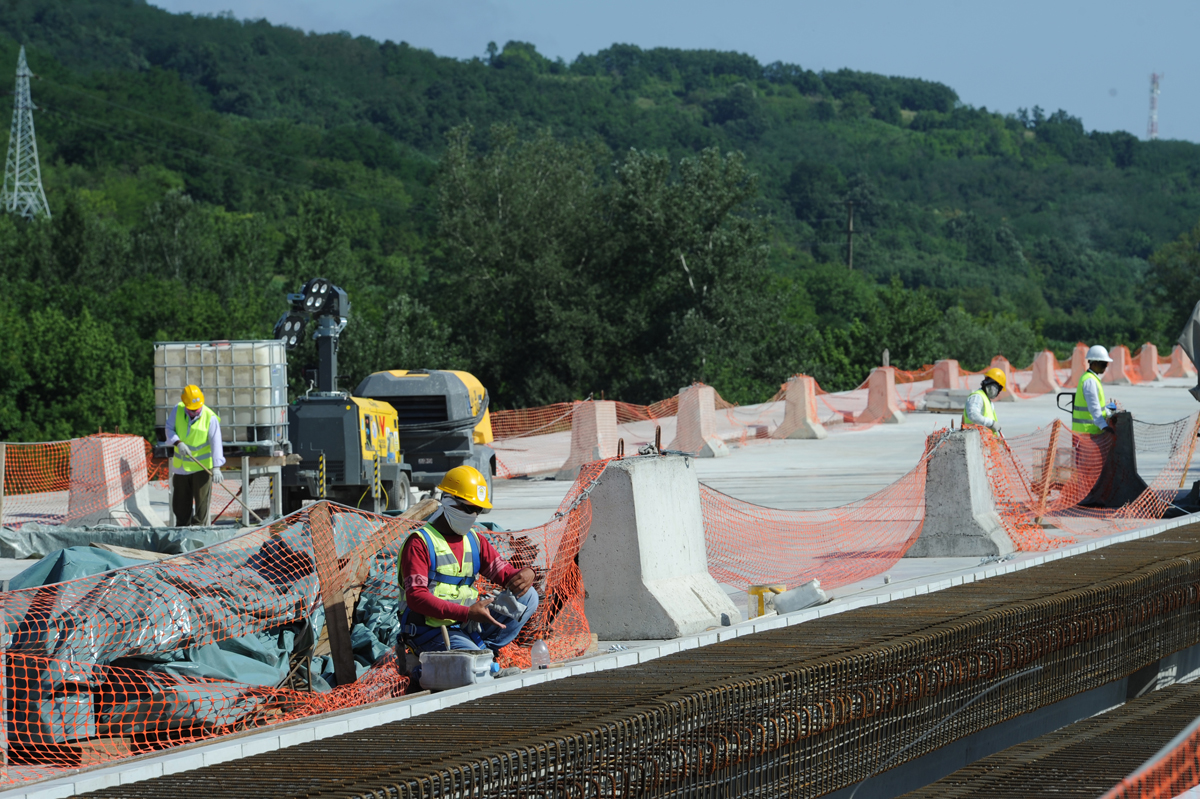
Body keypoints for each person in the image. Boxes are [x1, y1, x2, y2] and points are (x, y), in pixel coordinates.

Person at [397, 465, 539, 669]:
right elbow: (416, 598)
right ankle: (427, 666)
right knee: (473, 669)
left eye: (478, 510)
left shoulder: (474, 541)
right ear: (447, 500)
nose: (473, 515)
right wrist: (466, 612)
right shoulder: (420, 543)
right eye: (468, 508)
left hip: (468, 624)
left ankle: (485, 652)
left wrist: (527, 573)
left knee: (528, 596)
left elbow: (506, 575)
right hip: (431, 630)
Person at [166, 384, 225, 526]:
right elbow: (169, 429)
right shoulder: (177, 410)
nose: (195, 411)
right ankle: (182, 532)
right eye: (191, 409)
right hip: (181, 468)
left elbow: (216, 443)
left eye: (197, 408)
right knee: (180, 505)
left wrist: (216, 467)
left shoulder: (210, 418)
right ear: (185, 404)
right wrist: (178, 442)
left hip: (202, 468)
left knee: (201, 507)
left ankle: (198, 534)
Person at [1073, 345, 1117, 436]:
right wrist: (1104, 426)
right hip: (1088, 434)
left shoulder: (1091, 378)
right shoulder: (1090, 381)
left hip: (1089, 433)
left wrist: (1107, 412)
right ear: (1095, 363)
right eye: (1104, 364)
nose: (1105, 367)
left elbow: (1097, 405)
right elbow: (1094, 408)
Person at [963, 367, 1007, 436]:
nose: (998, 392)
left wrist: (1002, 439)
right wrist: (992, 423)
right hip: (974, 440)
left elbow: (993, 429)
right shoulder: (977, 397)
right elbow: (973, 415)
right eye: (998, 388)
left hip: (985, 442)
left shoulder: (989, 402)